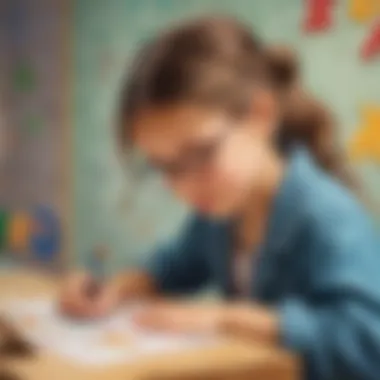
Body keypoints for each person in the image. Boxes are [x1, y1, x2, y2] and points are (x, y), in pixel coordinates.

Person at [61, 16, 380, 380]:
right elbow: (172, 266)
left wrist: (225, 318)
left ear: (261, 114)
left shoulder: (329, 216)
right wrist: (113, 291)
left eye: (200, 154)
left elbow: (368, 340)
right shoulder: (221, 209)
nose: (184, 187)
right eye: (164, 167)